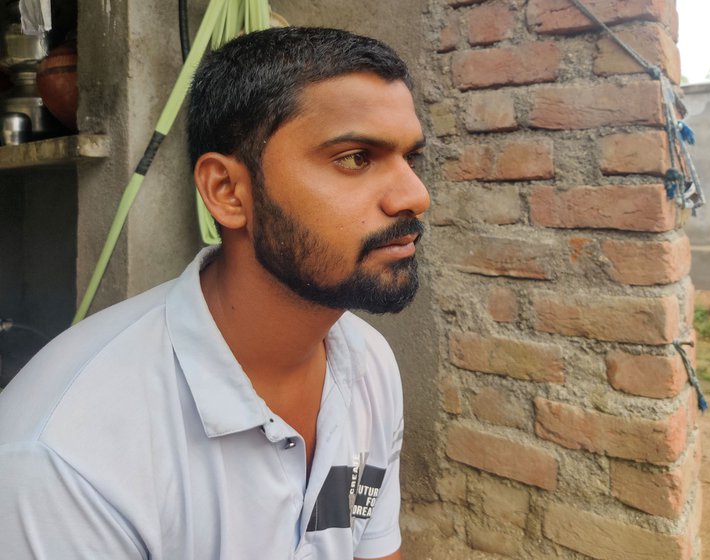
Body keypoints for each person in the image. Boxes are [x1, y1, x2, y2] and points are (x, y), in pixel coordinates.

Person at [0, 27, 430, 559]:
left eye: (412, 158)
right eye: (355, 157)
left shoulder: (369, 366)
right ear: (228, 192)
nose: (416, 195)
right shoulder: (66, 458)